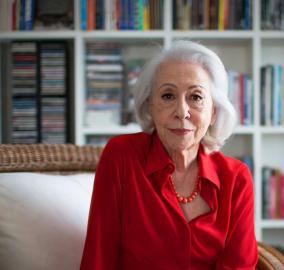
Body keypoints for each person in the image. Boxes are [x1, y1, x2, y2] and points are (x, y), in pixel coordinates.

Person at [80, 40, 258, 270]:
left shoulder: (236, 178)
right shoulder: (121, 156)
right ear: (150, 106)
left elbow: (239, 266)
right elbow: (99, 256)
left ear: (213, 112)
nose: (181, 112)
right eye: (167, 96)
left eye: (195, 97)